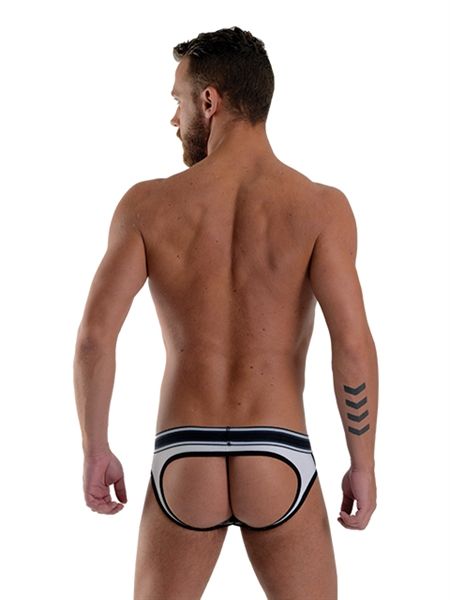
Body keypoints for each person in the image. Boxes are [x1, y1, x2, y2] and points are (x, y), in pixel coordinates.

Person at [73, 25, 378, 600]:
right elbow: (352, 344)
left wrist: (95, 449)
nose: (175, 118)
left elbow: (95, 337)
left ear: (209, 101)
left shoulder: (148, 205)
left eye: (179, 100)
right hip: (278, 449)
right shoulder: (320, 208)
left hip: (184, 453)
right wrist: (362, 463)